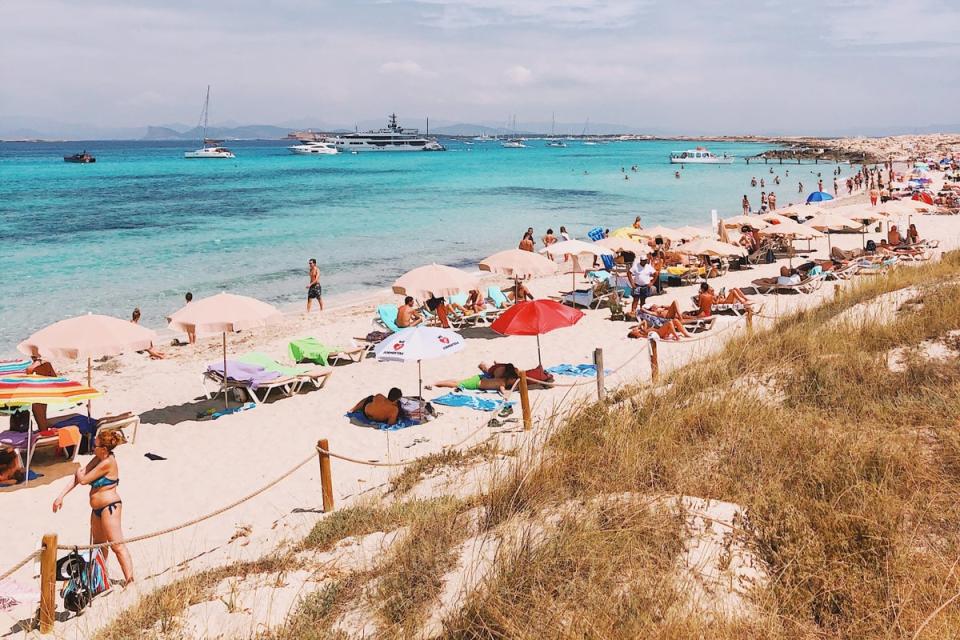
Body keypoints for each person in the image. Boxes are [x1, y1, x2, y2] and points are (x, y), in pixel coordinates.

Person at [52, 430, 134, 585]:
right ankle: (99, 577)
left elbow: (83, 479)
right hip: (96, 509)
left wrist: (78, 472)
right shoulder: (98, 458)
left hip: (109, 507)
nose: (92, 448)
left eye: (95, 445)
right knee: (98, 545)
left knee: (117, 545)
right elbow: (79, 476)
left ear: (104, 449)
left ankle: (130, 580)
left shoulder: (107, 462)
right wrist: (61, 496)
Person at [434, 362, 519, 398]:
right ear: (510, 378)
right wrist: (513, 389)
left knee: (459, 381)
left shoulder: (502, 380)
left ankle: (439, 382)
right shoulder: (502, 384)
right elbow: (503, 392)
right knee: (457, 384)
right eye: (513, 381)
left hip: (480, 378)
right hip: (476, 383)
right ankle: (437, 383)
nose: (513, 383)